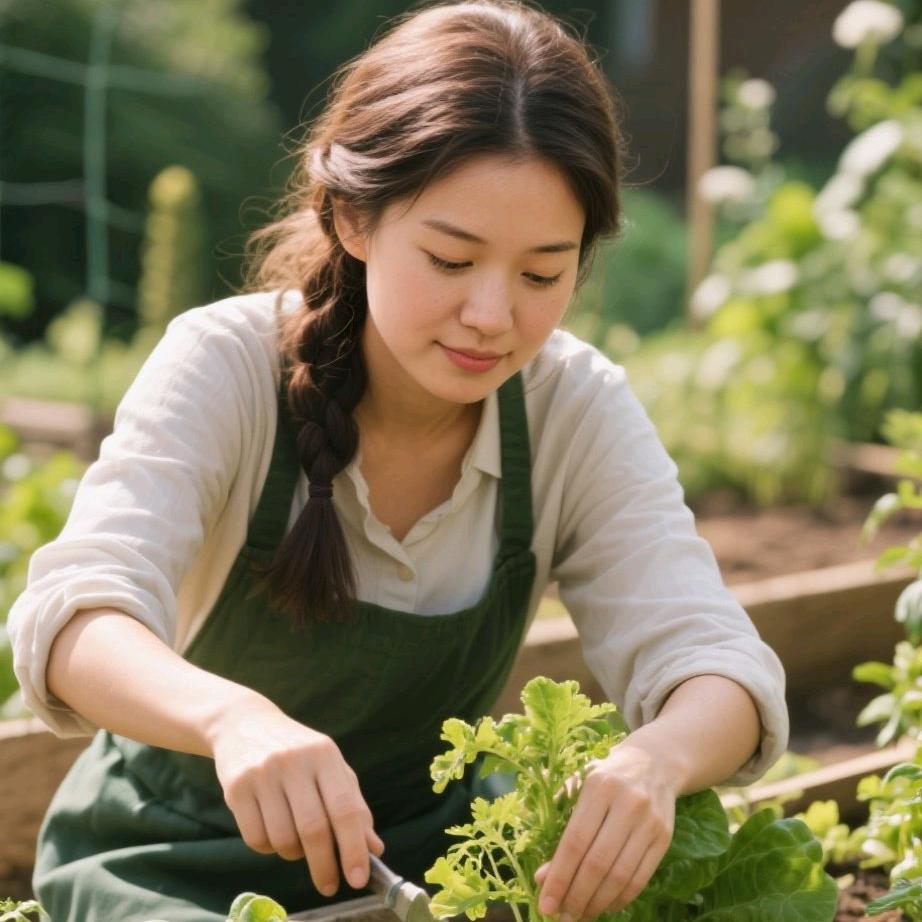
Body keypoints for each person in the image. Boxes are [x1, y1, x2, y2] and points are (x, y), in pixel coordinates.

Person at [8, 1, 789, 920]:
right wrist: (233, 719)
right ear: (352, 218)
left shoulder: (572, 406)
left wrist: (658, 759)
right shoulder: (224, 366)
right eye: (452, 261)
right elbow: (72, 620)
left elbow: (716, 660)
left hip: (432, 872)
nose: (494, 317)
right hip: (167, 861)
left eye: (543, 274)